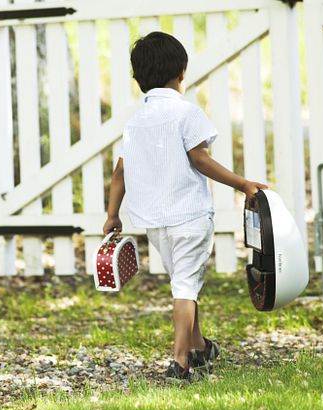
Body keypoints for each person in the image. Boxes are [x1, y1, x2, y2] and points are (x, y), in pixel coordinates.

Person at [103, 31, 267, 381]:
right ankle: (181, 362)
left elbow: (120, 171)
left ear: (138, 79)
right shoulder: (186, 112)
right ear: (182, 72)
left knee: (184, 283)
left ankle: (200, 347)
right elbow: (200, 158)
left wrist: (112, 214)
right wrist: (242, 184)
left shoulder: (135, 122)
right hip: (189, 216)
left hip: (155, 221)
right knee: (186, 287)